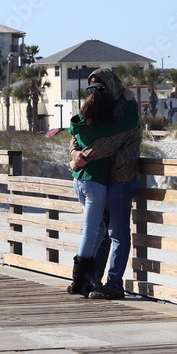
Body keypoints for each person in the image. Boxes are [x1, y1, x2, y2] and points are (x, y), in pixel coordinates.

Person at [68, 67, 143, 300]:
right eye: (92, 88)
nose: (96, 91)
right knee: (100, 232)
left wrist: (79, 160)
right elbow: (76, 135)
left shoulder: (123, 109)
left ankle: (114, 283)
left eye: (100, 87)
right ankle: (93, 280)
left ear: (110, 86)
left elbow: (107, 144)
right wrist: (73, 153)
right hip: (101, 179)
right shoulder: (101, 106)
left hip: (120, 178)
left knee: (117, 232)